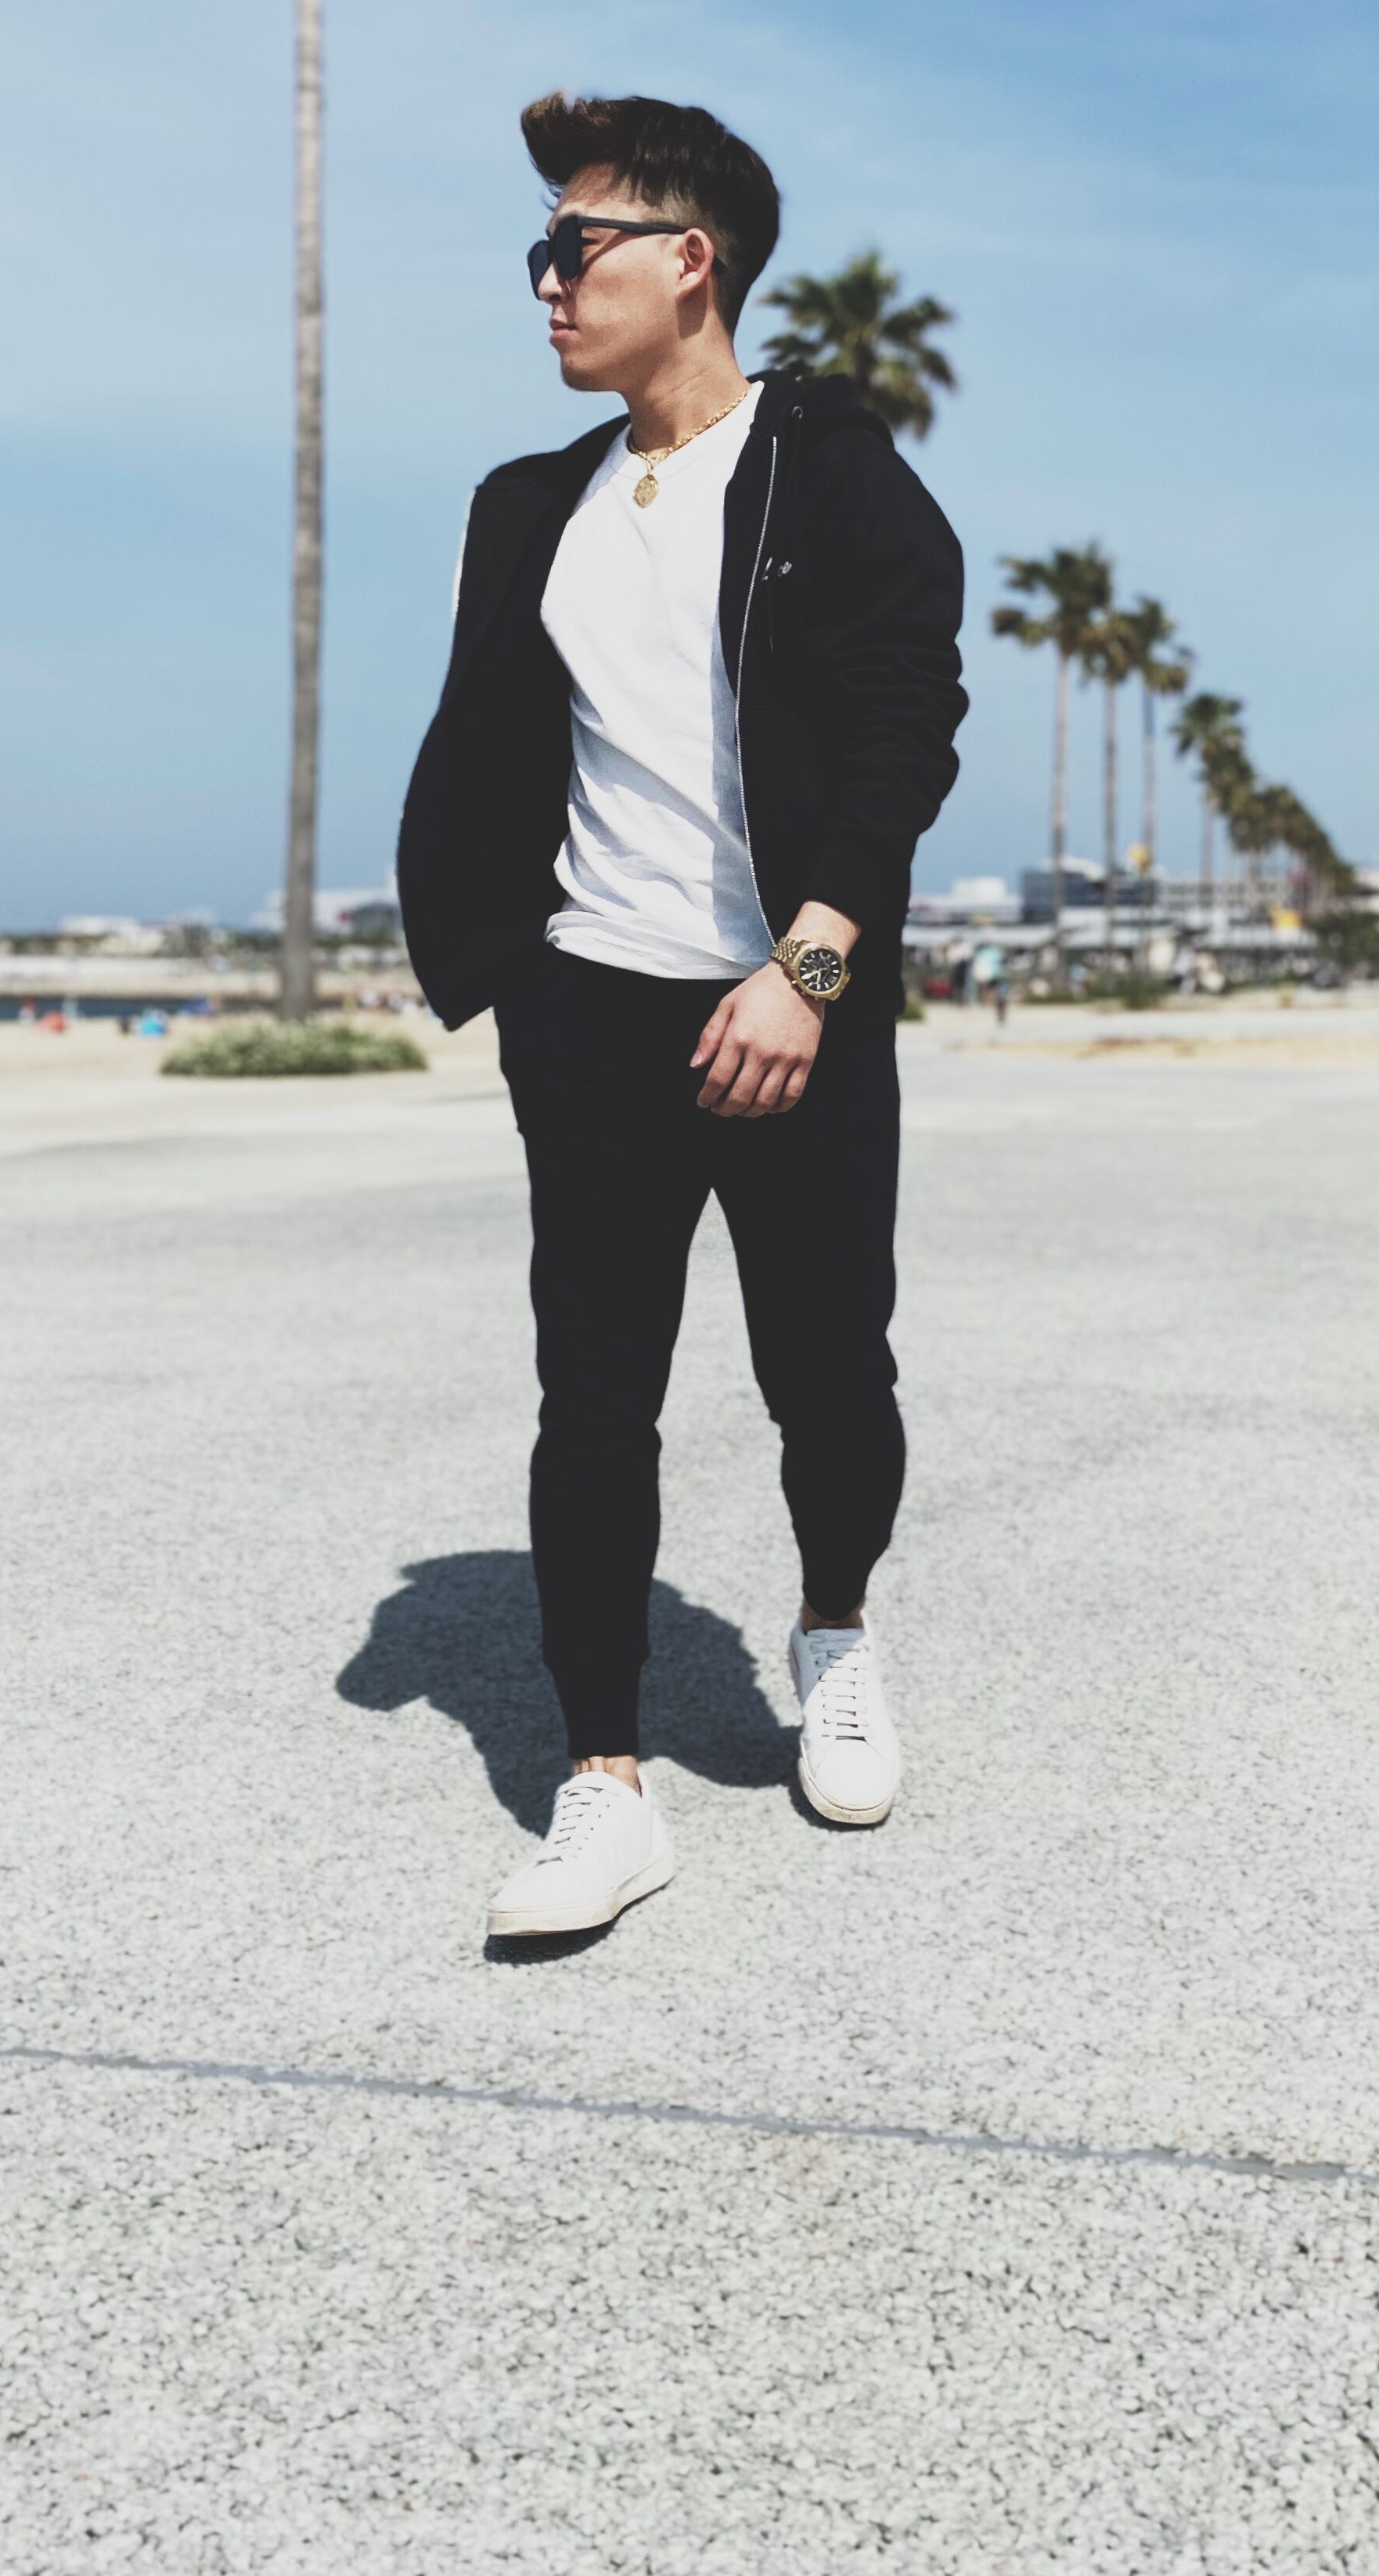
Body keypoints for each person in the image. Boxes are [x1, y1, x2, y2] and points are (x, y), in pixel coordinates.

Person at [398, 94, 966, 1939]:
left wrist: (811, 971)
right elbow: (498, 747)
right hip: (591, 1011)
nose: (548, 283)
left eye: (576, 247)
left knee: (831, 1374)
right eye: (542, 251)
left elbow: (904, 733)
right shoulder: (528, 505)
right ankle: (606, 1783)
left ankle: (836, 1633)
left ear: (689, 260)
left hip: (797, 1005)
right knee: (593, 1397)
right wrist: (509, 972)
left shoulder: (832, 470)